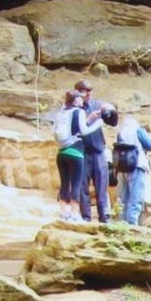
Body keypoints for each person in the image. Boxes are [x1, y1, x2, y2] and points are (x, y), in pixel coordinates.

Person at [74, 79, 111, 222]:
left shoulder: (98, 104)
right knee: (83, 186)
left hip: (98, 150)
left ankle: (105, 217)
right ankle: (86, 217)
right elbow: (73, 129)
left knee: (102, 185)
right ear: (78, 92)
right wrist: (89, 119)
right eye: (84, 91)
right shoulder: (74, 109)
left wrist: (110, 110)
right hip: (82, 151)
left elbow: (113, 121)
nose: (88, 94)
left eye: (90, 90)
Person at [53, 90, 91, 221]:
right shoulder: (79, 112)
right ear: (75, 100)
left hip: (61, 152)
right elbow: (84, 131)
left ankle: (63, 212)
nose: (82, 100)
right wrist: (98, 124)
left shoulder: (62, 113)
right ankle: (75, 213)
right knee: (76, 184)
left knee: (64, 183)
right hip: (76, 153)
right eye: (80, 98)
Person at [113, 115, 151, 226]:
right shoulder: (138, 130)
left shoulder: (121, 133)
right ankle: (132, 223)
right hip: (137, 166)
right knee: (136, 196)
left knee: (124, 197)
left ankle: (122, 223)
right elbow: (150, 146)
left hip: (122, 168)